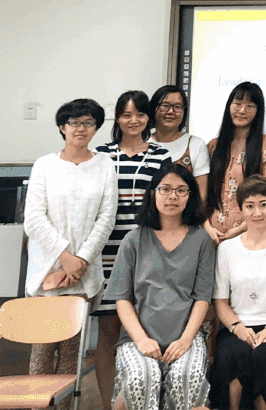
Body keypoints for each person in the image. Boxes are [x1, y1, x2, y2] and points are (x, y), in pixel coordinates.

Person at [23, 98, 117, 410]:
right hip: (48, 271)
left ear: (96, 128)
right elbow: (34, 218)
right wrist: (65, 257)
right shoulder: (45, 165)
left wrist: (81, 260)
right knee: (41, 353)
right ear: (62, 127)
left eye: (88, 123)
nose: (81, 128)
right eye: (74, 122)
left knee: (71, 356)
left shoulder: (104, 165)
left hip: (83, 275)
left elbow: (106, 218)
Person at [105, 164, 215, 410]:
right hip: (138, 337)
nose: (172, 196)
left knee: (187, 377)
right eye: (165, 189)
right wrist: (142, 340)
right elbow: (122, 299)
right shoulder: (133, 239)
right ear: (153, 193)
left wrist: (185, 340)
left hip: (186, 335)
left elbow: (202, 298)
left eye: (181, 190)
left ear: (190, 196)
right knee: (141, 378)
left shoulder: (201, 240)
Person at [95, 91, 172, 410]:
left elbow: (165, 205)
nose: (133, 120)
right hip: (105, 252)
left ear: (148, 118)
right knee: (108, 333)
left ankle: (140, 401)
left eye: (140, 114)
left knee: (142, 331)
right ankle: (108, 404)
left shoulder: (160, 156)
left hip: (145, 252)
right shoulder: (101, 155)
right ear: (117, 118)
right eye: (126, 115)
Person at [208, 175, 266, 410]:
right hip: (237, 328)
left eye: (263, 204)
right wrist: (237, 328)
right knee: (231, 358)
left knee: (265, 358)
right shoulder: (227, 249)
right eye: (250, 206)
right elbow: (220, 301)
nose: (257, 213)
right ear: (241, 209)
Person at [206, 81, 266, 246]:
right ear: (229, 106)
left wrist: (239, 230)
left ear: (258, 111)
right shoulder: (213, 146)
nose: (242, 110)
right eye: (238, 104)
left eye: (250, 106)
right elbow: (202, 193)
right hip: (211, 235)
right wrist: (207, 228)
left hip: (250, 235)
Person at [148, 84, 212, 203]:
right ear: (154, 108)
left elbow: (201, 197)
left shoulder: (196, 145)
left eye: (177, 107)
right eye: (165, 105)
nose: (170, 111)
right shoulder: (142, 141)